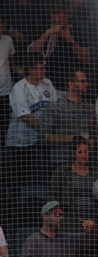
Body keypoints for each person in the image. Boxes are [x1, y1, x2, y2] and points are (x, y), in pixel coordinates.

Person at [7, 59, 56, 188]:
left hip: (42, 140)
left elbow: (55, 108)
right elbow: (25, 117)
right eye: (40, 68)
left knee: (44, 178)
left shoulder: (47, 83)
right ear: (31, 69)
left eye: (44, 68)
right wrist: (47, 129)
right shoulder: (19, 87)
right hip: (21, 142)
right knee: (20, 180)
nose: (44, 71)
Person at [27, 7, 90, 92]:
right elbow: (32, 52)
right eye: (54, 22)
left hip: (69, 86)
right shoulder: (45, 29)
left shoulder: (77, 31)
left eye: (61, 22)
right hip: (47, 84)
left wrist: (71, 40)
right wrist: (47, 34)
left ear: (66, 19)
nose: (58, 25)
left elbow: (86, 58)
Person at [43, 69, 98, 166]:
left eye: (86, 81)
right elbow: (44, 137)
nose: (87, 84)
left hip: (85, 163)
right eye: (82, 81)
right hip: (61, 162)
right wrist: (74, 139)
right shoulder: (56, 107)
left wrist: (92, 142)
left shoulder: (90, 108)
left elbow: (95, 134)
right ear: (71, 85)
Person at [48, 137, 98, 235]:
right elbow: (53, 198)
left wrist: (95, 221)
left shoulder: (96, 172)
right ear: (73, 153)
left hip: (93, 223)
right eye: (80, 152)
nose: (84, 155)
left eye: (86, 151)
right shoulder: (62, 172)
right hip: (70, 223)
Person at [21, 201, 86, 257]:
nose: (62, 218)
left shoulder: (67, 238)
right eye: (57, 215)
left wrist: (92, 226)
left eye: (62, 215)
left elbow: (92, 238)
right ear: (45, 217)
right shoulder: (34, 239)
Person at [0, 17, 16, 106]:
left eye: (3, 27)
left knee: (5, 117)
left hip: (5, 88)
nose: (2, 30)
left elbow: (11, 61)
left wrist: (18, 69)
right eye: (0, 27)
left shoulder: (8, 40)